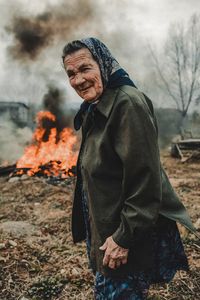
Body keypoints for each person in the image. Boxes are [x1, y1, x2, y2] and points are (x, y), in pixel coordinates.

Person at [62, 37, 196, 300]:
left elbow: (145, 181)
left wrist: (123, 239)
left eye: (85, 68)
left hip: (123, 236)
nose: (78, 80)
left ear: (102, 64)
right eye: (71, 74)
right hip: (106, 229)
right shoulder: (95, 106)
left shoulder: (127, 105)